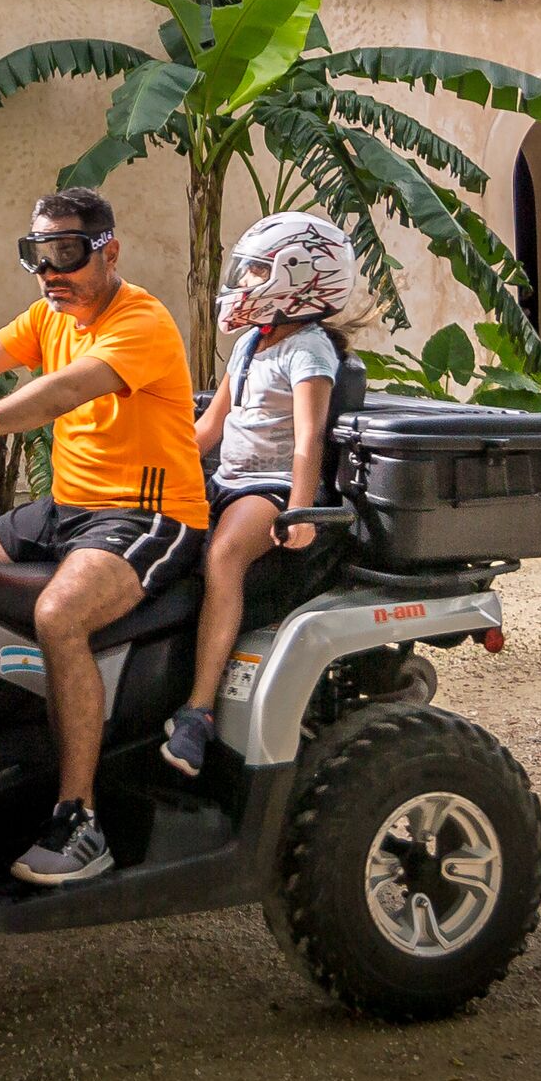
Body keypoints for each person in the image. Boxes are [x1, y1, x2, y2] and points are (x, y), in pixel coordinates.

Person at [0, 186, 208, 887]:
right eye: (38, 256)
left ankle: (80, 819)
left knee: (58, 615)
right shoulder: (49, 315)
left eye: (66, 253)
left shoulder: (143, 320)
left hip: (147, 514)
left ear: (110, 249)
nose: (51, 273)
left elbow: (64, 391)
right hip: (66, 507)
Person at [161, 212, 361, 779]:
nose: (242, 282)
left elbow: (308, 440)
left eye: (255, 271)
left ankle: (198, 712)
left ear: (298, 280)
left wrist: (299, 512)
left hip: (271, 488)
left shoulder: (310, 351)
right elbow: (209, 428)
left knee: (224, 556)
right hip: (225, 477)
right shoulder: (253, 341)